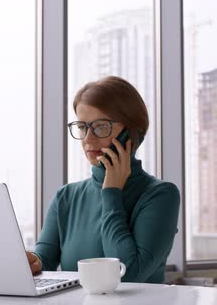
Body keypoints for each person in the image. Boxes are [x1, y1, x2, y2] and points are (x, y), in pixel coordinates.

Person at [26, 76, 180, 283]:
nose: (88, 139)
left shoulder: (160, 195)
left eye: (101, 126)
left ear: (132, 133)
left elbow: (128, 273)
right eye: (82, 127)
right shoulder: (66, 196)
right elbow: (45, 260)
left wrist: (111, 192)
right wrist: (32, 261)